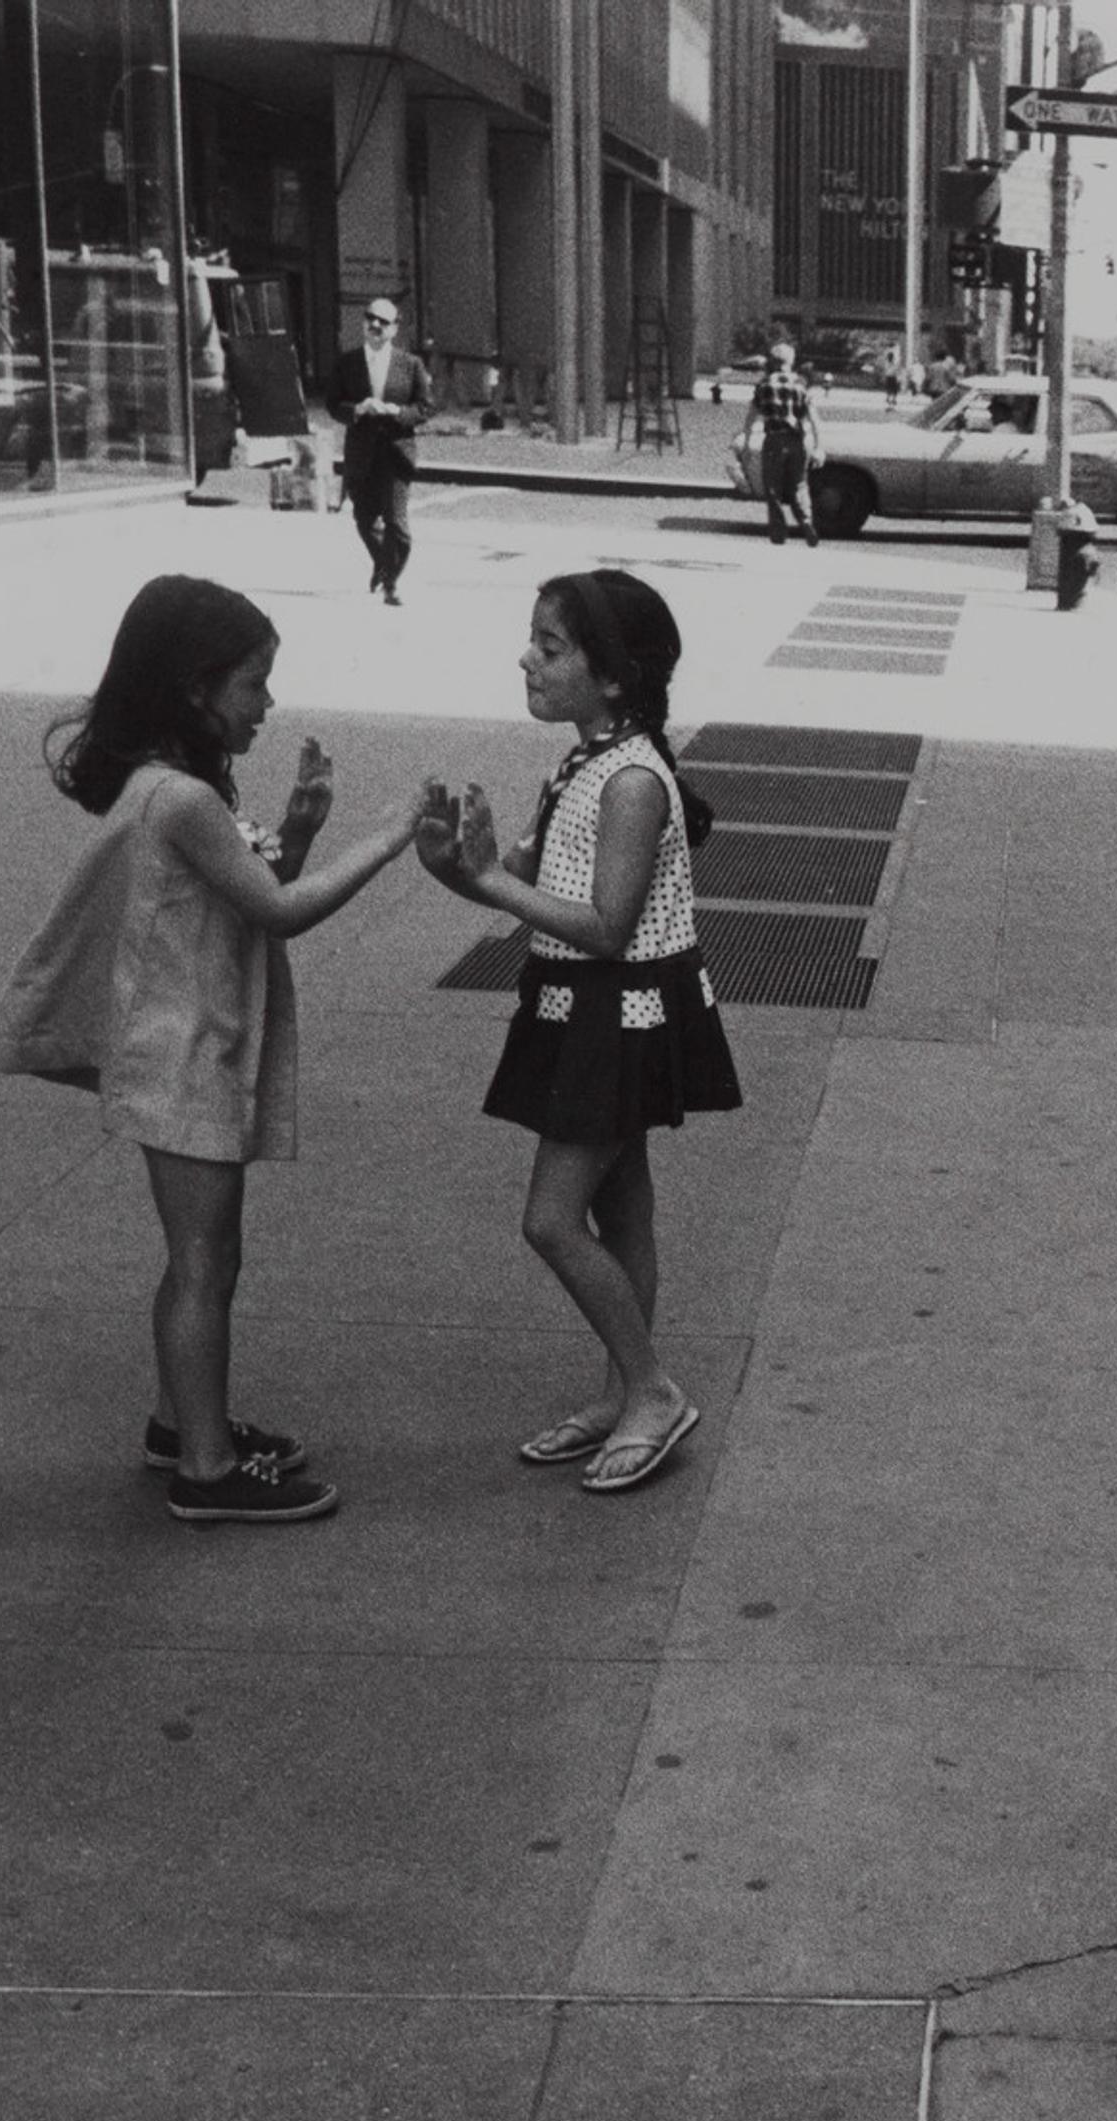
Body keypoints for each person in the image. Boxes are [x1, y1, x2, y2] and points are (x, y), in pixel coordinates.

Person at [0, 576, 435, 1523]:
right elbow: (279, 910)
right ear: (196, 688)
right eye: (254, 685)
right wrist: (390, 837)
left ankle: (178, 1423)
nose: (267, 706)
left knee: (206, 1255)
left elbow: (249, 888)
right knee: (204, 1260)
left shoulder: (181, 790)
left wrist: (303, 825)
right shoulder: (180, 798)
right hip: (181, 1051)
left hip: (195, 1041)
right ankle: (206, 1467)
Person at [416, 570, 738, 1494]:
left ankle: (649, 1389)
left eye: (551, 647)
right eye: (534, 639)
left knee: (552, 1220)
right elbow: (510, 885)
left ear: (612, 677)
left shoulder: (631, 780)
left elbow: (606, 922)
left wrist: (489, 877)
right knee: (621, 1207)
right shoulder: (586, 761)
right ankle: (618, 1391)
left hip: (618, 1015)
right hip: (587, 1010)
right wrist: (456, 866)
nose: (528, 657)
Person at [329, 299, 433, 603]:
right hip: (361, 454)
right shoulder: (346, 363)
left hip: (396, 452)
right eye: (370, 319)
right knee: (363, 520)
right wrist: (358, 409)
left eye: (383, 322)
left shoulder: (410, 364)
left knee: (398, 526)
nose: (375, 326)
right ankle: (383, 564)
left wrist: (397, 411)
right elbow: (333, 404)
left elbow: (426, 406)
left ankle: (391, 583)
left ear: (395, 329)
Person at [745, 343, 821, 547]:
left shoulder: (764, 385)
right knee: (799, 485)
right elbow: (813, 418)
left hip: (774, 440)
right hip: (798, 441)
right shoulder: (801, 384)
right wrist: (819, 446)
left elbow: (751, 417)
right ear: (791, 361)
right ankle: (806, 522)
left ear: (772, 361)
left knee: (773, 488)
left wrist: (746, 444)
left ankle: (779, 532)